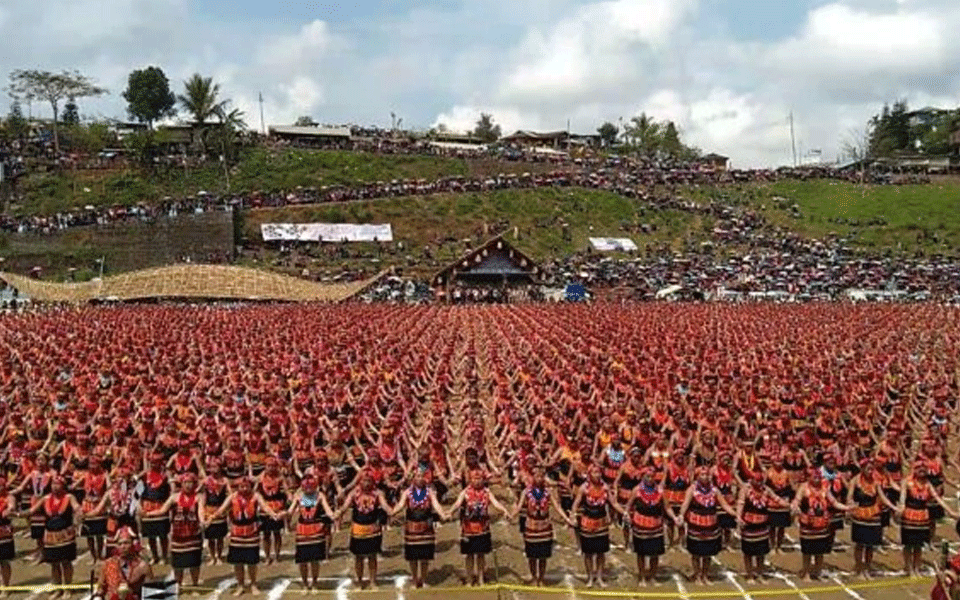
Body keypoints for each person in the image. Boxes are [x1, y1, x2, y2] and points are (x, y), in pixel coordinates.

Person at [206, 476, 280, 596]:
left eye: (247, 486)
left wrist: (273, 514)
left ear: (250, 486)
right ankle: (240, 585)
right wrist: (212, 517)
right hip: (236, 533)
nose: (244, 489)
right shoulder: (232, 497)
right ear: (238, 487)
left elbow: (265, 507)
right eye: (242, 486)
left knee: (252, 562)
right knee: (238, 562)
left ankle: (253, 584)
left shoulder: (256, 496)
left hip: (251, 533)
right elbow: (222, 509)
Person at [512, 466, 573, 587]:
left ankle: (541, 578)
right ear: (533, 478)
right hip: (531, 527)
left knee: (543, 556)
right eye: (537, 476)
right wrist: (510, 515)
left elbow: (557, 507)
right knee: (532, 556)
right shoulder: (526, 492)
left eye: (541, 476)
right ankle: (534, 577)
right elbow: (519, 507)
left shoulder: (548, 492)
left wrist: (567, 519)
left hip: (545, 528)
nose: (539, 479)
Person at [143, 473, 205, 592]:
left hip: (193, 535)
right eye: (185, 482)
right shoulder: (174, 497)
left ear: (194, 484)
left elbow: (201, 512)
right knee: (178, 564)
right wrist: (148, 514)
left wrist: (203, 522)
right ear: (181, 484)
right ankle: (178, 586)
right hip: (178, 535)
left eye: (190, 482)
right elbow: (162, 510)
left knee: (194, 562)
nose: (188, 485)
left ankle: (195, 585)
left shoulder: (199, 497)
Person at [676, 466, 738, 584]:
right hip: (696, 525)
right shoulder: (692, 489)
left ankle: (705, 575)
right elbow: (685, 504)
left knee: (707, 553)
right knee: (696, 552)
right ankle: (697, 575)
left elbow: (724, 505)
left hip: (711, 526)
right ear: (698, 476)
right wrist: (680, 515)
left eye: (707, 475)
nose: (705, 477)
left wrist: (736, 515)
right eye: (702, 475)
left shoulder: (714, 490)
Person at [449, 471, 511, 587]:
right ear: (470, 480)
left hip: (483, 528)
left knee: (481, 555)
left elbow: (496, 503)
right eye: (474, 478)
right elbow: (457, 504)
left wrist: (504, 510)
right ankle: (469, 579)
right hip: (468, 528)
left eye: (479, 478)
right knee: (469, 555)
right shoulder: (465, 492)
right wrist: (450, 512)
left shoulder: (487, 492)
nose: (477, 481)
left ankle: (481, 578)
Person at [25, 475, 82, 599]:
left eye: (58, 484)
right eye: (53, 484)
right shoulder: (45, 498)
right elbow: (31, 511)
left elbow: (77, 507)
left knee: (66, 563)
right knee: (54, 564)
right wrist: (16, 513)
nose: (55, 486)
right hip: (50, 536)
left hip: (65, 534)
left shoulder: (69, 497)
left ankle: (68, 589)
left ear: (63, 486)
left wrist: (79, 513)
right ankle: (57, 588)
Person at [334, 472, 394, 590]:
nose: (366, 483)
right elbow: (345, 506)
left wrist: (392, 511)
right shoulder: (354, 493)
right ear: (360, 482)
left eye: (368, 481)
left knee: (372, 557)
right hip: (358, 529)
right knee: (359, 557)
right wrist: (339, 512)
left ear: (372, 482)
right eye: (364, 481)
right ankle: (359, 581)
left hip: (373, 529)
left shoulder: (378, 493)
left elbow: (385, 506)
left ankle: (372, 581)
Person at [899, 462, 959, 577]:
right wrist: (900, 509)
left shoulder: (927, 484)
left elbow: (937, 499)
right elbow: (902, 498)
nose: (922, 471)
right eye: (919, 469)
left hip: (922, 518)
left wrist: (950, 511)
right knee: (908, 544)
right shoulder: (907, 482)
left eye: (923, 469)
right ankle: (909, 568)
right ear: (914, 470)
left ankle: (916, 567)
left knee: (918, 545)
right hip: (909, 516)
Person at [391, 468, 449, 588]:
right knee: (413, 556)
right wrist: (392, 512)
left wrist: (443, 514)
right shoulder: (407, 492)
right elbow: (401, 505)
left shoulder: (429, 492)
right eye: (417, 476)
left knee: (424, 555)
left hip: (426, 526)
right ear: (413, 479)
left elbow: (436, 505)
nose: (420, 478)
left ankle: (423, 579)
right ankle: (414, 578)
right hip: (412, 527)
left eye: (422, 476)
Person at [618, 467, 676, 587]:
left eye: (652, 476)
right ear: (643, 477)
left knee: (654, 553)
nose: (650, 479)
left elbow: (667, 507)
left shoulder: (660, 491)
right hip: (640, 526)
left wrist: (675, 517)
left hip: (656, 527)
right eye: (648, 476)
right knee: (641, 553)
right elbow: (628, 506)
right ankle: (642, 577)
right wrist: (626, 515)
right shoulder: (637, 490)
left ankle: (653, 576)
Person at [792, 468, 851, 581]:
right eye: (815, 477)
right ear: (809, 477)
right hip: (808, 525)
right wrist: (795, 507)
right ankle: (806, 573)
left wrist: (847, 507)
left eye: (819, 478)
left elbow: (834, 502)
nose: (817, 479)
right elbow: (797, 500)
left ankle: (817, 572)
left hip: (822, 525)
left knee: (820, 551)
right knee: (807, 551)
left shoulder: (824, 488)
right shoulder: (804, 487)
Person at [847, 459, 899, 578]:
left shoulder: (876, 482)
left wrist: (893, 507)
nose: (870, 471)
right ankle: (859, 568)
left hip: (874, 515)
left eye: (872, 469)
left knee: (870, 545)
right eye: (868, 469)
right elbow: (849, 496)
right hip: (860, 514)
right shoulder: (855, 481)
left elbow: (882, 497)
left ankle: (867, 568)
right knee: (860, 544)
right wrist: (850, 507)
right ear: (862, 469)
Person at [286, 474, 336, 592]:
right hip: (302, 532)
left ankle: (314, 583)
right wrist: (282, 515)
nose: (308, 488)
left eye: (310, 486)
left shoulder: (320, 496)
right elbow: (290, 512)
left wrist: (334, 515)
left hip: (316, 531)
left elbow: (328, 510)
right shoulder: (298, 496)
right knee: (302, 561)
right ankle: (304, 584)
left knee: (314, 560)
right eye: (306, 486)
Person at [736, 473, 789, 582]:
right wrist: (738, 517)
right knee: (749, 552)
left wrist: (790, 505)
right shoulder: (745, 490)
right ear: (752, 481)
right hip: (749, 525)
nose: (759, 484)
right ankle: (750, 575)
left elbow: (777, 499)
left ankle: (760, 574)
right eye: (757, 481)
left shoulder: (766, 490)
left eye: (761, 482)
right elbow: (740, 504)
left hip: (763, 525)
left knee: (761, 552)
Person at [570, 465, 614, 587]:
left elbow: (613, 503)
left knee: (601, 552)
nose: (597, 475)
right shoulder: (584, 488)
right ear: (590, 474)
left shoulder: (605, 487)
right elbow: (576, 504)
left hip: (601, 523)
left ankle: (599, 577)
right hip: (587, 523)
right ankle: (590, 577)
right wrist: (572, 516)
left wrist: (624, 512)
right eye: (594, 473)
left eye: (599, 473)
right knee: (588, 553)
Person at [96, 528, 153, 600]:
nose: (123, 546)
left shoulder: (143, 566)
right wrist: (97, 596)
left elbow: (151, 592)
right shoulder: (108, 564)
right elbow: (101, 588)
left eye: (126, 543)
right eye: (120, 544)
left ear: (133, 544)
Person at [138, 453, 171, 564]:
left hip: (160, 505)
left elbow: (169, 492)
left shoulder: (165, 476)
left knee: (162, 535)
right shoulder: (144, 476)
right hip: (147, 506)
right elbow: (138, 493)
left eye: (155, 462)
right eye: (151, 462)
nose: (153, 464)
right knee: (150, 536)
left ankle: (164, 556)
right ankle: (155, 556)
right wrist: (139, 506)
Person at [0, 478, 15, 598]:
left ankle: (6, 586)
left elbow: (11, 507)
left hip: (3, 530)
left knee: (4, 560)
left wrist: (9, 509)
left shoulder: (9, 497)